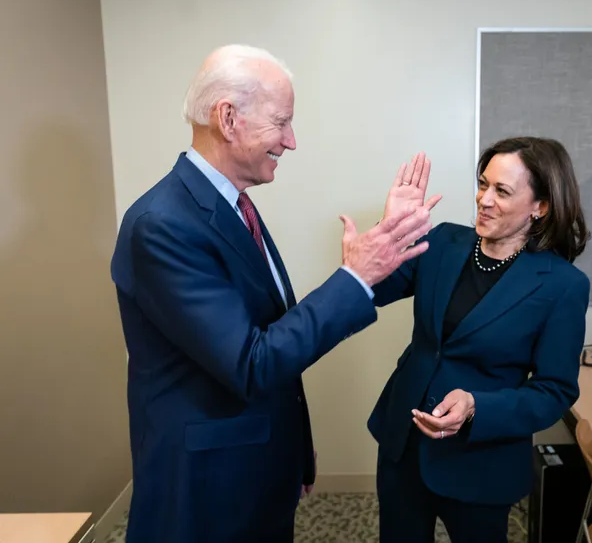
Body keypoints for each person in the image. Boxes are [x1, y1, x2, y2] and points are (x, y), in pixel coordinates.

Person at [109, 44, 437, 543]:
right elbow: (253, 362)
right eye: (282, 122)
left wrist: (294, 452)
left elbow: (266, 332)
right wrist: (355, 277)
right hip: (206, 490)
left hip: (255, 467)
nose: (292, 141)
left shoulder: (231, 204)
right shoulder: (163, 225)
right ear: (228, 118)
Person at [368, 137, 592, 543]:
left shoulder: (562, 285)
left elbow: (554, 391)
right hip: (404, 446)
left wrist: (477, 406)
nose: (484, 199)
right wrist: (389, 233)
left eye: (502, 191)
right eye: (483, 184)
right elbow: (373, 291)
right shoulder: (442, 243)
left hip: (480, 461)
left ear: (540, 206)